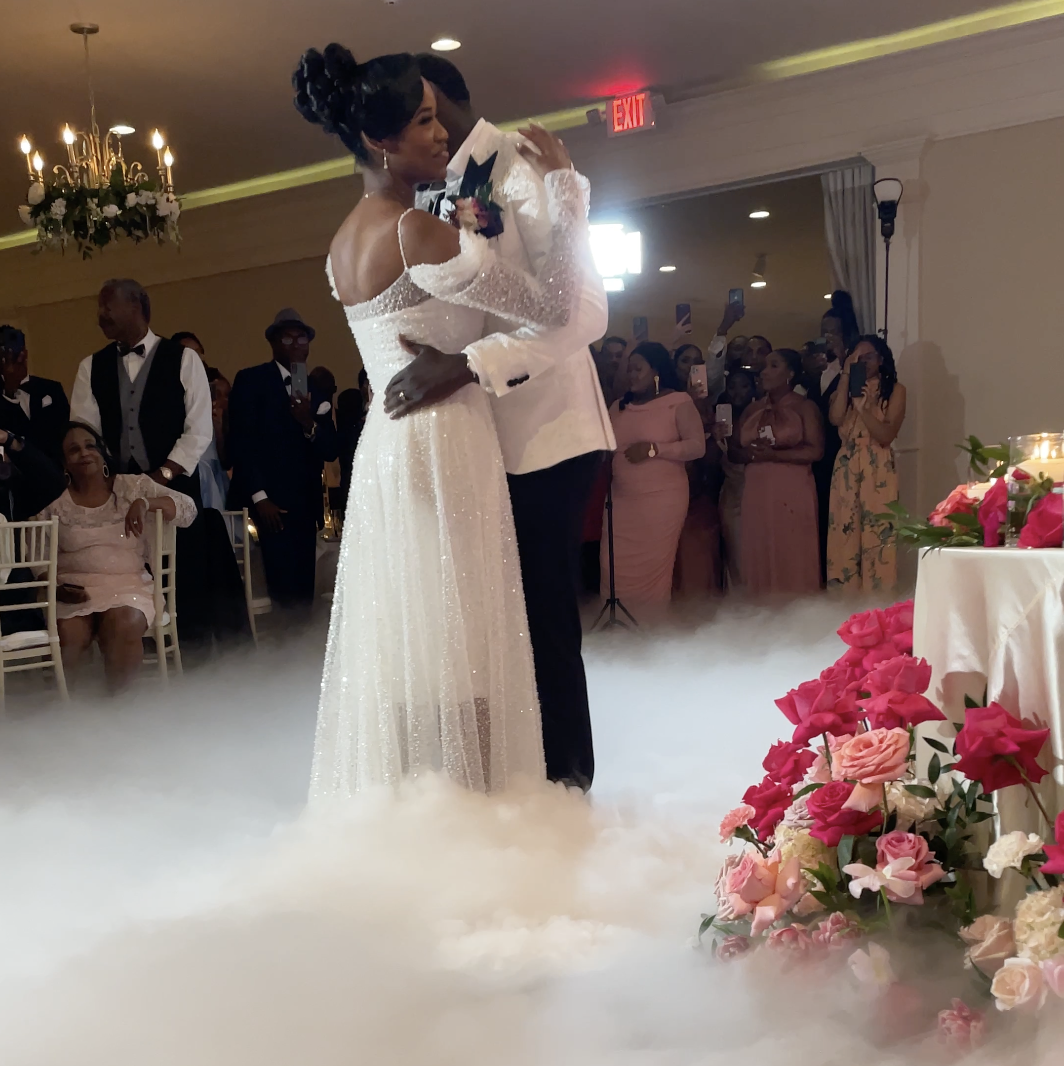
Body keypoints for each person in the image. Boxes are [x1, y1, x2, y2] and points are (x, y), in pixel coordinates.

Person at [293, 43, 599, 796]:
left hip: (409, 442)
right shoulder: (417, 225)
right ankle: (485, 799)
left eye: (437, 117)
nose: (440, 134)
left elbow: (575, 318)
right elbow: (555, 301)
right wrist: (569, 195)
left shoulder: (343, 242)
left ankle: (443, 797)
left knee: (426, 629)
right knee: (471, 626)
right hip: (451, 434)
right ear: (380, 138)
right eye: (421, 120)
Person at [383, 50, 613, 790]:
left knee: (543, 620)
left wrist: (466, 364)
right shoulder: (429, 195)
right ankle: (512, 776)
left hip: (546, 433)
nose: (418, 127)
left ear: (442, 102)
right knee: (489, 623)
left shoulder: (517, 166)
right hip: (477, 440)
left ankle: (567, 787)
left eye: (419, 110)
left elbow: (585, 313)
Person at [35, 423, 197, 691]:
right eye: (74, 450)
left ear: (102, 452)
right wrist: (53, 588)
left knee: (123, 623)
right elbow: (36, 554)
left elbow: (187, 509)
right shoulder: (55, 502)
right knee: (68, 637)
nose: (85, 453)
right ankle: (61, 716)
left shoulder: (131, 486)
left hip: (128, 584)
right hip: (72, 591)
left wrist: (146, 502)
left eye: (90, 445)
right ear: (63, 463)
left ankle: (119, 709)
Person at [228, 309, 339, 614]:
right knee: (279, 584)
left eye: (301, 337)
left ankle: (298, 651)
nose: (295, 343)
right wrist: (259, 496)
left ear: (308, 344)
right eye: (286, 337)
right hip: (269, 503)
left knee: (304, 588)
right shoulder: (252, 380)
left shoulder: (315, 389)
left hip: (306, 501)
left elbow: (330, 449)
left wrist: (308, 424)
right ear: (274, 342)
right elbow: (242, 440)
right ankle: (281, 649)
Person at [603, 342, 705, 619]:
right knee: (611, 565)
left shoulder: (678, 401)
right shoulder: (618, 406)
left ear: (656, 371)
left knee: (652, 571)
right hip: (621, 501)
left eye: (638, 369)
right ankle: (618, 631)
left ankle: (650, 631)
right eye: (629, 369)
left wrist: (654, 449)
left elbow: (697, 446)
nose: (631, 375)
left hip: (662, 500)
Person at [736, 349, 823, 597]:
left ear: (791, 373)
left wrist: (774, 455)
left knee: (791, 548)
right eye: (764, 366)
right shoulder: (752, 409)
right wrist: (749, 454)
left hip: (791, 486)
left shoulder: (804, 407)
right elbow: (734, 451)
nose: (764, 372)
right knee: (759, 547)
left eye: (773, 366)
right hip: (756, 488)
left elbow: (815, 451)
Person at [827, 335, 905, 592]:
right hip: (847, 465)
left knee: (878, 531)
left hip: (877, 465)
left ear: (881, 359)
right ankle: (845, 601)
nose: (863, 362)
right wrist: (847, 377)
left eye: (868, 356)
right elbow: (836, 417)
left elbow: (885, 435)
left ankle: (878, 602)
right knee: (844, 532)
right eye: (857, 358)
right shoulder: (846, 388)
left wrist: (864, 409)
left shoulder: (895, 390)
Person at [806, 290, 860, 582]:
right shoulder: (818, 371)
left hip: (841, 453)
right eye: (824, 333)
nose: (828, 338)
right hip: (817, 459)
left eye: (834, 333)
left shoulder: (853, 370)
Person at [672, 342, 722, 602]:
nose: (691, 366)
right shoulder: (666, 398)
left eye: (697, 361)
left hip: (704, 483)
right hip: (675, 479)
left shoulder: (708, 400)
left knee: (701, 544)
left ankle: (703, 603)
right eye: (685, 361)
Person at [0, 325, 70, 466]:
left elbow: (67, 435)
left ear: (24, 353)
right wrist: (9, 390)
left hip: (57, 476)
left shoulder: (51, 389)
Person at [714, 368, 757, 590]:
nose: (737, 392)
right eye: (732, 387)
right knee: (737, 552)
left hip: (761, 492)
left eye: (744, 386)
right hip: (733, 494)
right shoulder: (720, 420)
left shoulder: (762, 414)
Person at [593, 335, 628, 406]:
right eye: (608, 355)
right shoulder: (594, 384)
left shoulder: (634, 385)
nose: (613, 360)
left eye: (619, 355)